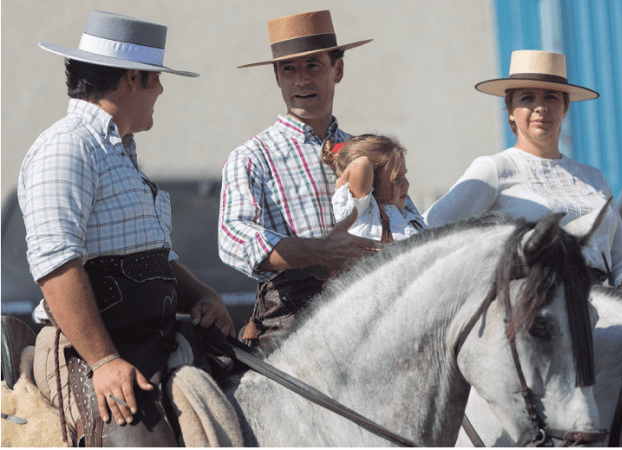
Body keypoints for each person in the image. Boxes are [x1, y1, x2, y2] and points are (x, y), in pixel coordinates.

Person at [19, 11, 236, 446]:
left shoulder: (115, 151)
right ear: (132, 79)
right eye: (156, 79)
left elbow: (154, 256)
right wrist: (104, 361)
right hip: (90, 353)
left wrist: (204, 296)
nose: (161, 90)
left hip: (150, 342)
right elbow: (57, 265)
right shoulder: (66, 147)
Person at [218, 11, 425, 346]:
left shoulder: (371, 153)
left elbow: (408, 218)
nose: (301, 80)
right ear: (277, 76)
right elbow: (233, 239)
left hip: (379, 314)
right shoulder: (252, 156)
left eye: (313, 65)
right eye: (289, 69)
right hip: (292, 326)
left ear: (338, 70)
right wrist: (319, 252)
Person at [423, 50, 622, 299]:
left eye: (550, 97)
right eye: (527, 98)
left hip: (603, 308)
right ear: (510, 109)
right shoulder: (494, 169)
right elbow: (427, 230)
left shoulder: (594, 179)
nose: (540, 107)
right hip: (534, 317)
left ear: (565, 107)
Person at [321, 134, 427, 242]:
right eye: (396, 179)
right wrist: (342, 183)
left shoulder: (403, 210)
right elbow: (361, 163)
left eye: (404, 175)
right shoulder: (361, 213)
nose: (406, 184)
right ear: (371, 183)